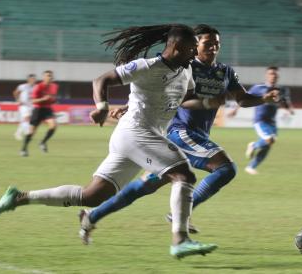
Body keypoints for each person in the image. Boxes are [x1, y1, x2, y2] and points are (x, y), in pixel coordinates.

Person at [0, 24, 221, 259]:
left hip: (142, 137)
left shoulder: (186, 71)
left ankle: (18, 197)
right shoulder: (147, 66)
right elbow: (102, 80)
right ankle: (180, 240)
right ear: (178, 47)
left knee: (92, 196)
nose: (195, 53)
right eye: (192, 49)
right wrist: (102, 107)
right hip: (136, 132)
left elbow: (186, 99)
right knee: (184, 175)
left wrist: (212, 102)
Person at [78, 24, 279, 236]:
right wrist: (129, 108)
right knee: (225, 169)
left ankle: (91, 216)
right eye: (208, 44)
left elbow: (242, 99)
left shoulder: (225, 72)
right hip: (180, 132)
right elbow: (158, 89)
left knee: (145, 186)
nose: (213, 48)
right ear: (195, 45)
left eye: (217, 44)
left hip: (197, 136)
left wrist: (263, 99)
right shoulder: (184, 65)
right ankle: (182, 214)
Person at [229, 66, 294, 175]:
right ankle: (253, 146)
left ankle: (251, 167)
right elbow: (244, 99)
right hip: (260, 121)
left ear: (278, 76)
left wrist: (289, 110)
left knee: (268, 144)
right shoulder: (258, 87)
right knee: (270, 140)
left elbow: (285, 102)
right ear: (267, 75)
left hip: (272, 122)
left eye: (275, 74)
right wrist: (235, 110)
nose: (273, 75)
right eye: (271, 73)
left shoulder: (282, 90)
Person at [20, 70, 58, 157]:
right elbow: (32, 100)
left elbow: (53, 98)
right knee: (31, 132)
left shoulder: (54, 86)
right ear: (44, 77)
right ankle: (24, 149)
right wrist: (43, 99)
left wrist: (53, 100)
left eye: (51, 76)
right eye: (48, 75)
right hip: (38, 110)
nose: (50, 77)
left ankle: (43, 142)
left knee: (53, 126)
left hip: (48, 109)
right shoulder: (38, 87)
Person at [13, 74, 36, 141]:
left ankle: (17, 133)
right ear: (28, 79)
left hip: (31, 105)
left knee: (27, 120)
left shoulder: (36, 87)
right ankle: (27, 133)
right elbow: (15, 92)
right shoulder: (22, 86)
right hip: (23, 105)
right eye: (31, 79)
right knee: (27, 118)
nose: (33, 80)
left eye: (34, 79)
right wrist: (17, 100)